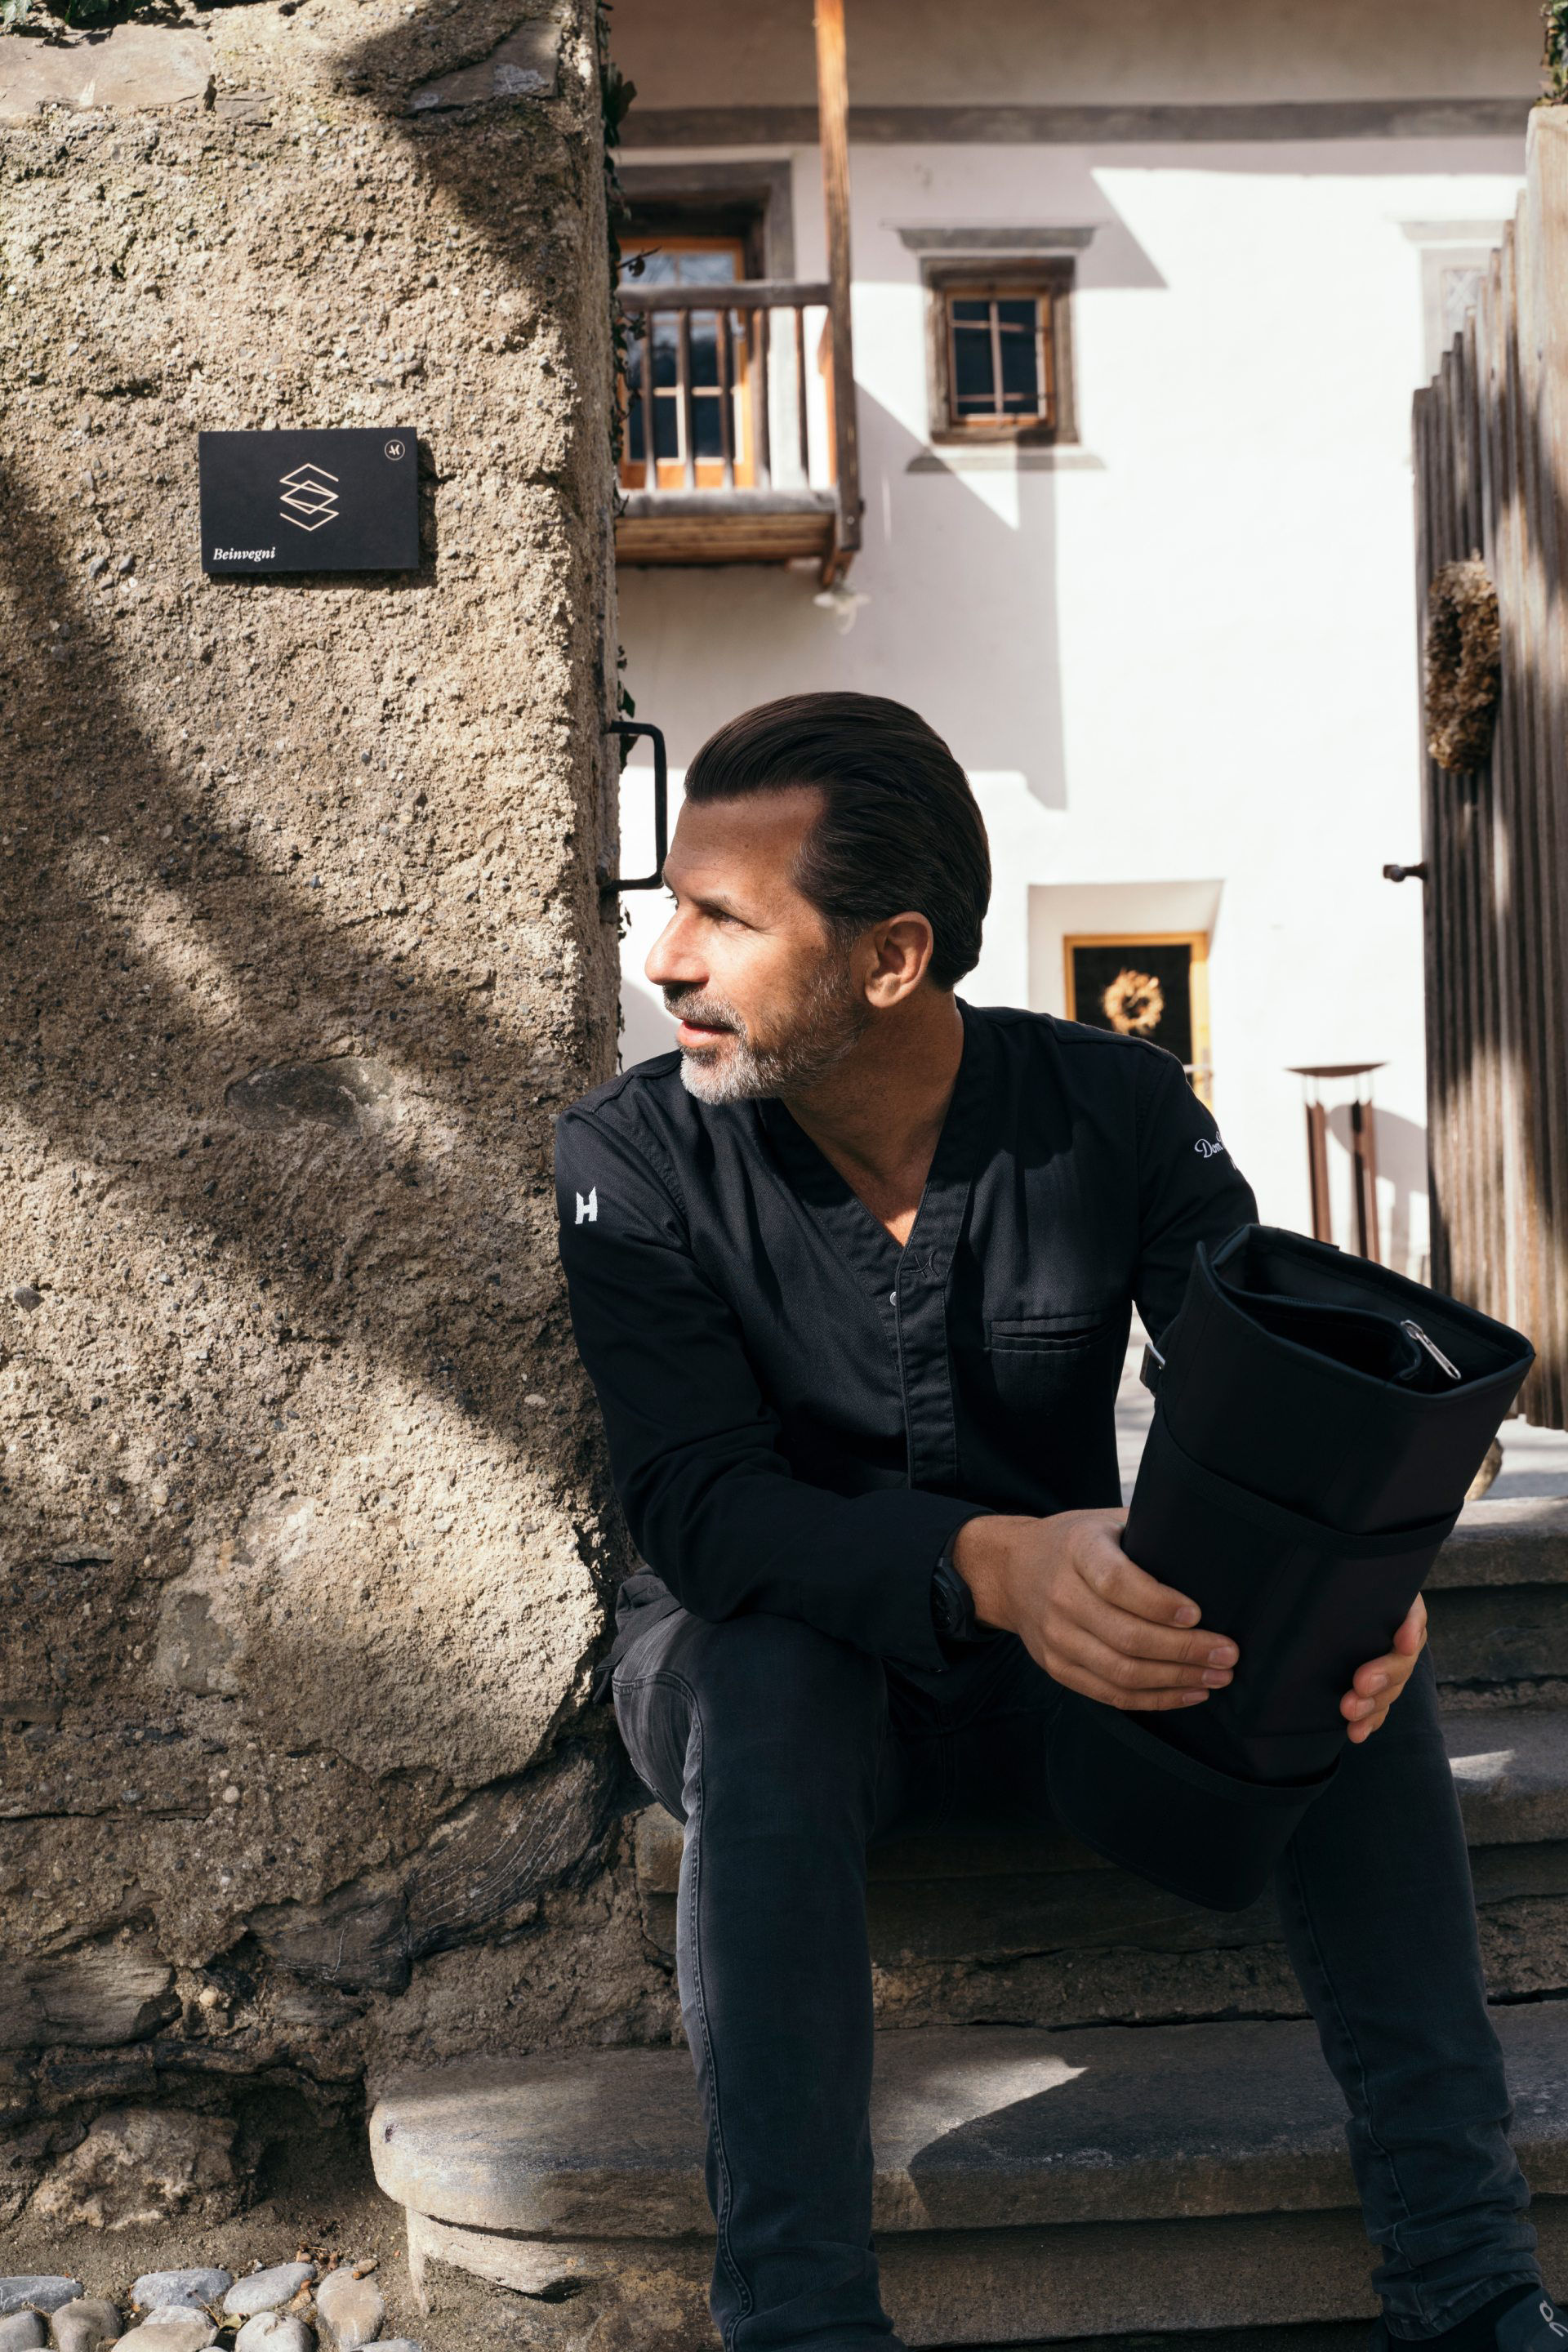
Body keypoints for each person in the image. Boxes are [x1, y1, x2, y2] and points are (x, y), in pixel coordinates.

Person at [555, 691, 1551, 2352]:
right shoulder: (633, 1157)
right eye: (675, 907)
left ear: (892, 957)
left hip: (1063, 1676)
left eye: (722, 918)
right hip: (773, 1688)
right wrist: (989, 1562)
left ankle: (1470, 2286)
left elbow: (1268, 1399)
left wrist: (1356, 1580)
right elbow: (699, 1510)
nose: (665, 961)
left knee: (1359, 1669)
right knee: (770, 1674)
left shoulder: (1116, 1108)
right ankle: (799, 2322)